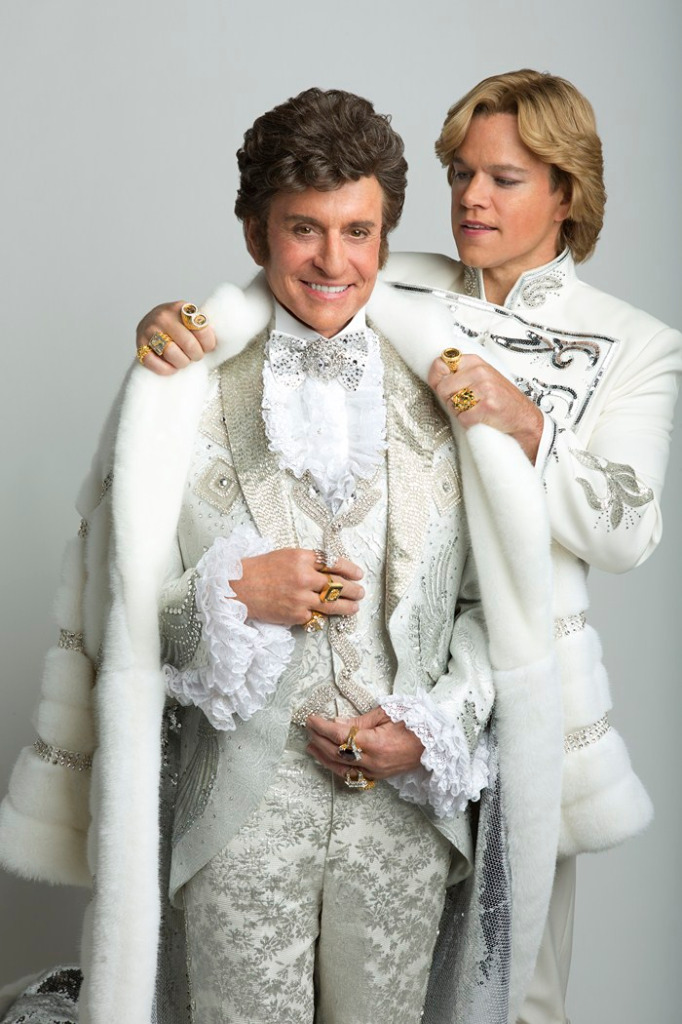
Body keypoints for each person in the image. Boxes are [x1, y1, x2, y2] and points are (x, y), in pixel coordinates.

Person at [0, 88, 562, 1024]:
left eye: (358, 232)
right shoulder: (179, 390)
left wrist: (430, 729)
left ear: (385, 236)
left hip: (406, 823)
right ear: (256, 233)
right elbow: (118, 622)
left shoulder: (450, 389)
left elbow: (490, 610)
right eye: (305, 229)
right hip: (236, 825)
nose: (334, 261)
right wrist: (231, 593)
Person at [133, 70, 682, 1024]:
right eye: (461, 173)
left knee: (516, 990)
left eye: (504, 178)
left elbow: (628, 531)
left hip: (520, 686)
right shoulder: (400, 280)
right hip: (335, 727)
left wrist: (531, 430)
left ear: (567, 192)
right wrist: (175, 327)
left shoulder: (633, 343)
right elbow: (290, 277)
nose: (471, 197)